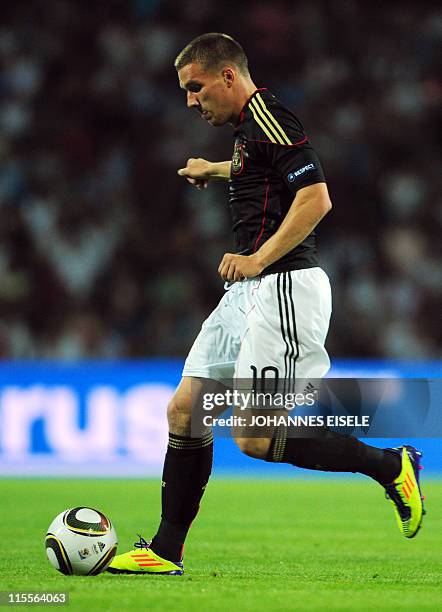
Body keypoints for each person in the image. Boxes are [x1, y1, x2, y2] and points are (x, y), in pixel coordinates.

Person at [108, 33, 425, 576]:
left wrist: (259, 259)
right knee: (185, 410)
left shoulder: (269, 115)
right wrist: (216, 168)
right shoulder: (248, 130)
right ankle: (164, 551)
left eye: (196, 87)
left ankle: (390, 465)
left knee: (254, 435)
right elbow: (263, 170)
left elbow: (315, 196)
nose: (190, 101)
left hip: (283, 288)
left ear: (228, 76)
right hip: (248, 293)